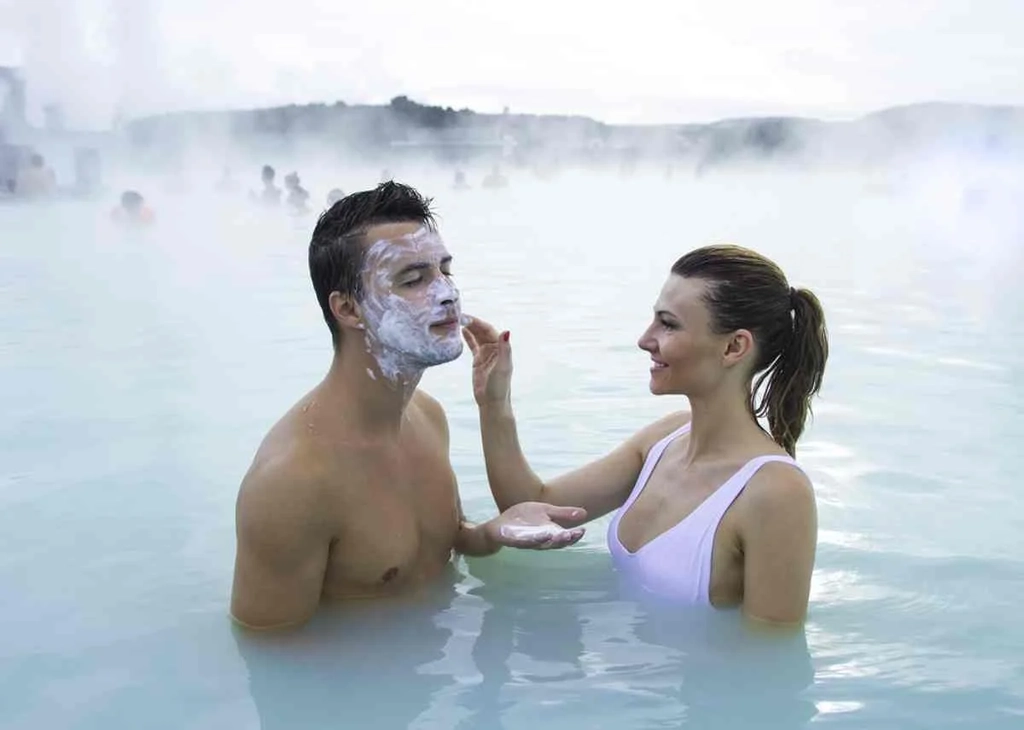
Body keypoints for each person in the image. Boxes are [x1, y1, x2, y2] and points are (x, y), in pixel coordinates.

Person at [230, 182, 588, 631]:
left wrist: (492, 532)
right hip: (363, 693)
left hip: (437, 674)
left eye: (445, 271)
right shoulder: (293, 481)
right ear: (348, 309)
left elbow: (446, 539)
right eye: (413, 279)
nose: (447, 294)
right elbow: (268, 655)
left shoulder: (426, 417)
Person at [462, 244, 829, 625]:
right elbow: (531, 505)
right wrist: (494, 404)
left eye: (668, 324)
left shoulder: (776, 493)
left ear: (734, 346)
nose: (644, 339)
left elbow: (772, 664)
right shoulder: (665, 439)